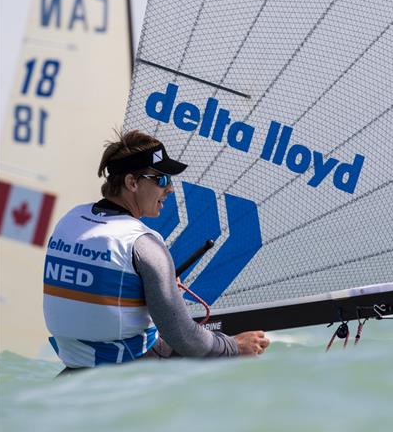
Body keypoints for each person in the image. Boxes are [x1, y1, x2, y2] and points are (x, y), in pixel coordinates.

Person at [43, 130, 269, 369]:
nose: (170, 189)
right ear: (131, 183)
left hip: (75, 362)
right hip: (129, 368)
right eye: (161, 180)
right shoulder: (144, 244)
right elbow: (184, 338)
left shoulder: (70, 220)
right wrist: (234, 346)